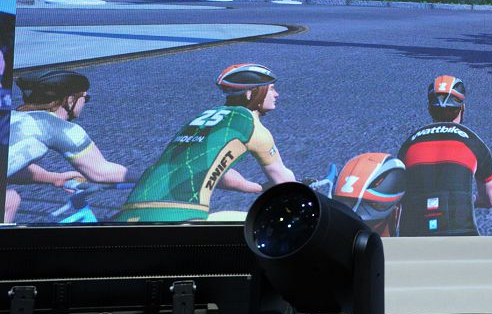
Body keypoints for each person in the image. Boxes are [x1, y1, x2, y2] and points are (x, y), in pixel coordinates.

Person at [114, 63, 296, 222]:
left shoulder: (203, 117)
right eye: (271, 89)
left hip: (130, 211)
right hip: (181, 214)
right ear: (251, 93)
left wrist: (258, 187)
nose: (277, 94)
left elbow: (216, 170)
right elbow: (283, 180)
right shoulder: (251, 125)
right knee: (266, 224)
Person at [6, 69, 131, 222]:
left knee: (9, 200)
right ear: (70, 100)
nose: (85, 102)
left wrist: (54, 178)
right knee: (9, 201)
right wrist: (150, 176)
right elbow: (100, 172)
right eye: (85, 98)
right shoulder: (57, 126)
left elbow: (10, 164)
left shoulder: (12, 117)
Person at [396, 75, 492, 236]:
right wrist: (469, 200)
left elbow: (397, 204)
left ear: (429, 109)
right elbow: (490, 200)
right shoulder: (474, 143)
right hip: (461, 237)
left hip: (414, 237)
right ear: (463, 108)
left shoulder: (409, 144)